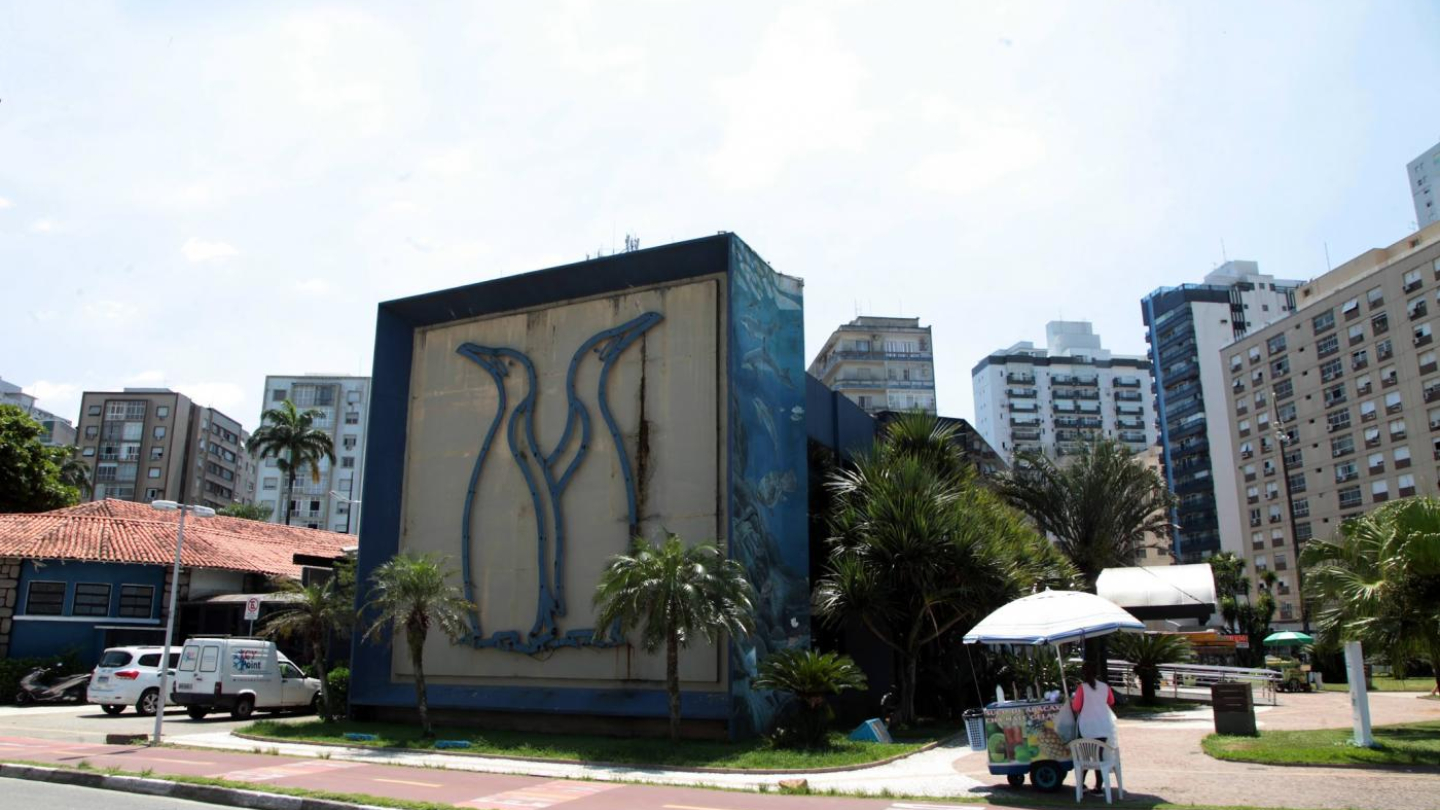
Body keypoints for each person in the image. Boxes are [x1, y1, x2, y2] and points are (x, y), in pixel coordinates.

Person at [1070, 661, 1117, 795]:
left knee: (1083, 756)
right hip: (1103, 725)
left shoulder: (1082, 688)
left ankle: (1081, 784)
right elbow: (1111, 701)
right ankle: (1098, 787)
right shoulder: (1105, 686)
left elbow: (1076, 707)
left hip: (1087, 726)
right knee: (1099, 756)